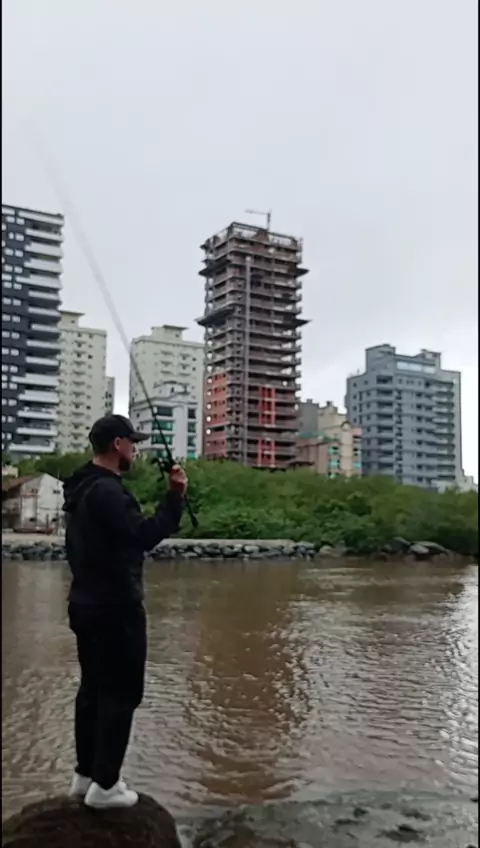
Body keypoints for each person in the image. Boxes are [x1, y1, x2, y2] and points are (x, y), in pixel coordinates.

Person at [63, 414, 188, 810]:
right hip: (115, 608)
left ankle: (85, 776)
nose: (135, 449)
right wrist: (175, 497)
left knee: (93, 690)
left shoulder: (81, 487)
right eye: (132, 442)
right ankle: (106, 785)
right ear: (117, 444)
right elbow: (143, 535)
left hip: (85, 603)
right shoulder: (107, 491)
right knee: (121, 693)